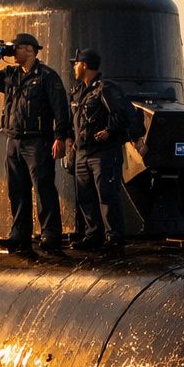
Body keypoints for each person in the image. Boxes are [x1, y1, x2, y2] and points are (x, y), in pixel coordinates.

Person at [0, 32, 71, 252]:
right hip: (14, 140)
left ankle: (50, 234)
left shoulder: (47, 76)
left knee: (43, 188)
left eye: (15, 48)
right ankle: (19, 234)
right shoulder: (11, 75)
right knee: (17, 189)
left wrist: (60, 137)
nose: (12, 51)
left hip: (38, 141)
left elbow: (60, 107)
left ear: (29, 50)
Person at [66, 48, 141, 255]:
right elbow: (73, 120)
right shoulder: (78, 91)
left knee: (107, 195)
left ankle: (114, 236)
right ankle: (93, 234)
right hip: (82, 152)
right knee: (85, 196)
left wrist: (109, 130)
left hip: (103, 153)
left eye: (76, 63)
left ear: (84, 65)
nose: (73, 67)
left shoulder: (106, 88)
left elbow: (125, 114)